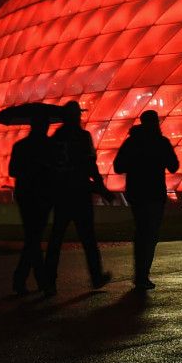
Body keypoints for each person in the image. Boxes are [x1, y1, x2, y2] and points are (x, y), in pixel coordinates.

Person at [42, 102, 113, 296]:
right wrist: (101, 188)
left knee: (56, 238)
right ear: (75, 117)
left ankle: (49, 282)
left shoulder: (56, 137)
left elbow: (50, 166)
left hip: (62, 194)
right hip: (80, 193)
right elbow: (91, 165)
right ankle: (96, 276)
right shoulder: (82, 136)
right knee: (88, 238)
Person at [113, 110, 179, 290]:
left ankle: (140, 274)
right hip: (155, 193)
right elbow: (174, 166)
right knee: (151, 233)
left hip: (137, 193)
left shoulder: (132, 142)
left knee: (141, 231)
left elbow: (118, 166)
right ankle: (143, 274)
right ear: (156, 123)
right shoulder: (161, 142)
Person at [8, 118, 55, 294]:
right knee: (34, 238)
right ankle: (39, 281)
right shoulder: (49, 147)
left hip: (26, 195)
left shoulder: (20, 146)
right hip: (40, 196)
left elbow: (12, 170)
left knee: (32, 238)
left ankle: (22, 280)